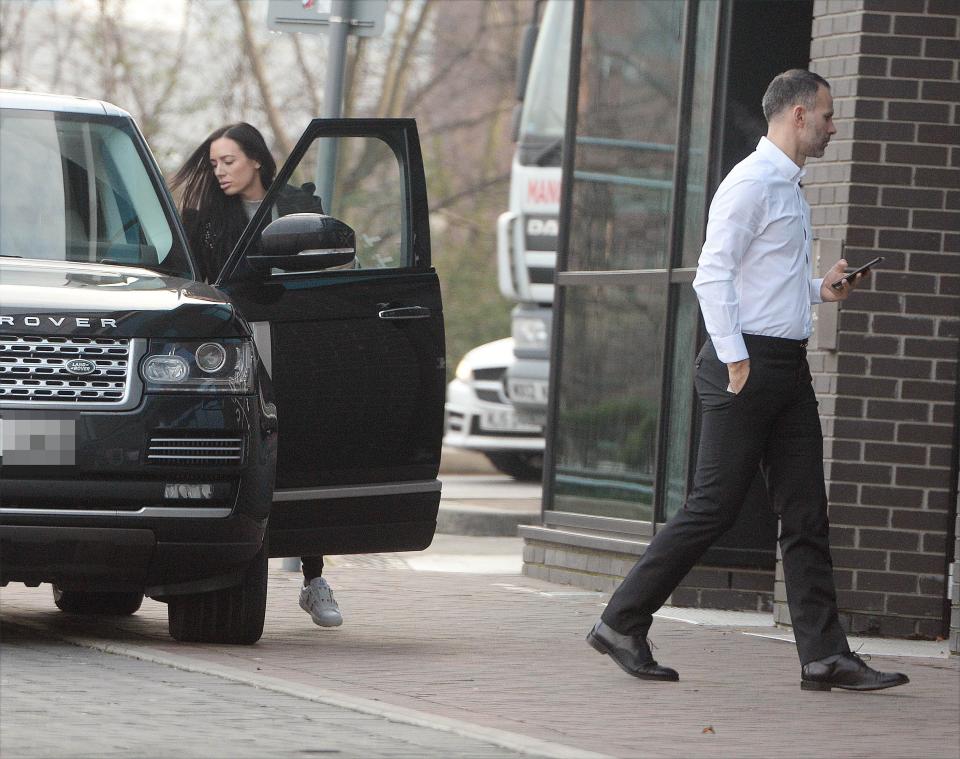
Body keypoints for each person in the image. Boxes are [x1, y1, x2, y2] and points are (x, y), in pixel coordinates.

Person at [586, 70, 908, 692]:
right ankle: (621, 621)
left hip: (786, 365)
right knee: (714, 507)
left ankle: (824, 656)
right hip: (745, 366)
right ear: (795, 114)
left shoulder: (790, 187)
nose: (833, 126)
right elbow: (713, 274)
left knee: (806, 512)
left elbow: (769, 282)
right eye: (827, 114)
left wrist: (822, 289)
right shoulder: (751, 183)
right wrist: (735, 357)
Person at [170, 122, 343, 629]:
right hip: (232, 345)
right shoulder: (202, 219)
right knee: (247, 454)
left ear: (257, 161)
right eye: (215, 163)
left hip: (291, 338)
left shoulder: (296, 209)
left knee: (303, 450)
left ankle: (314, 579)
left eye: (228, 161)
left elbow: (319, 274)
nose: (219, 171)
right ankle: (233, 574)